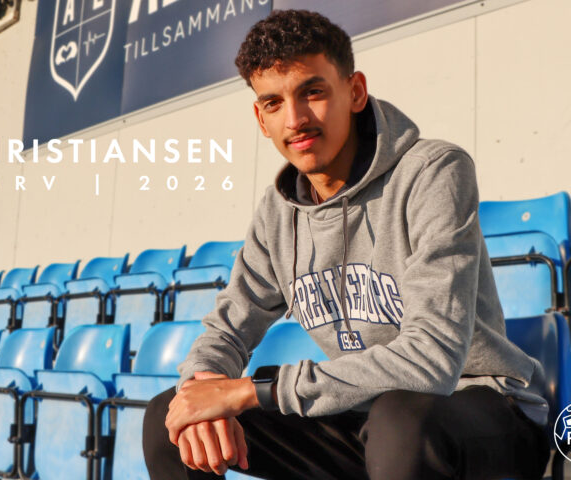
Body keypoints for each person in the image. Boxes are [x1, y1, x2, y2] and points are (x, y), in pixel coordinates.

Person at [142, 9, 551, 480]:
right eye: (273, 103)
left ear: (355, 91)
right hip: (369, 419)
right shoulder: (278, 212)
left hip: (480, 410)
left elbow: (433, 357)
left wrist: (253, 390)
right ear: (260, 118)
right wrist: (203, 390)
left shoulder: (433, 171)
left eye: (312, 92)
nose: (295, 119)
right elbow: (228, 328)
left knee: (401, 420)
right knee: (170, 420)